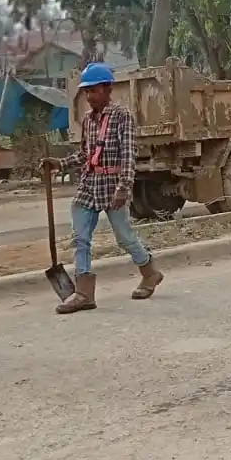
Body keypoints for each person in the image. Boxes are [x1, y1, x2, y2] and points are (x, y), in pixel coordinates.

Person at [42, 62, 162, 314]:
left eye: (93, 91)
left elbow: (129, 155)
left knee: (125, 237)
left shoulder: (122, 116)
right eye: (86, 91)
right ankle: (83, 292)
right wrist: (59, 164)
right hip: (89, 185)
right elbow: (86, 154)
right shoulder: (88, 120)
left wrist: (124, 187)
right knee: (80, 238)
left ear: (107, 89)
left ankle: (150, 272)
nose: (88, 96)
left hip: (113, 185)